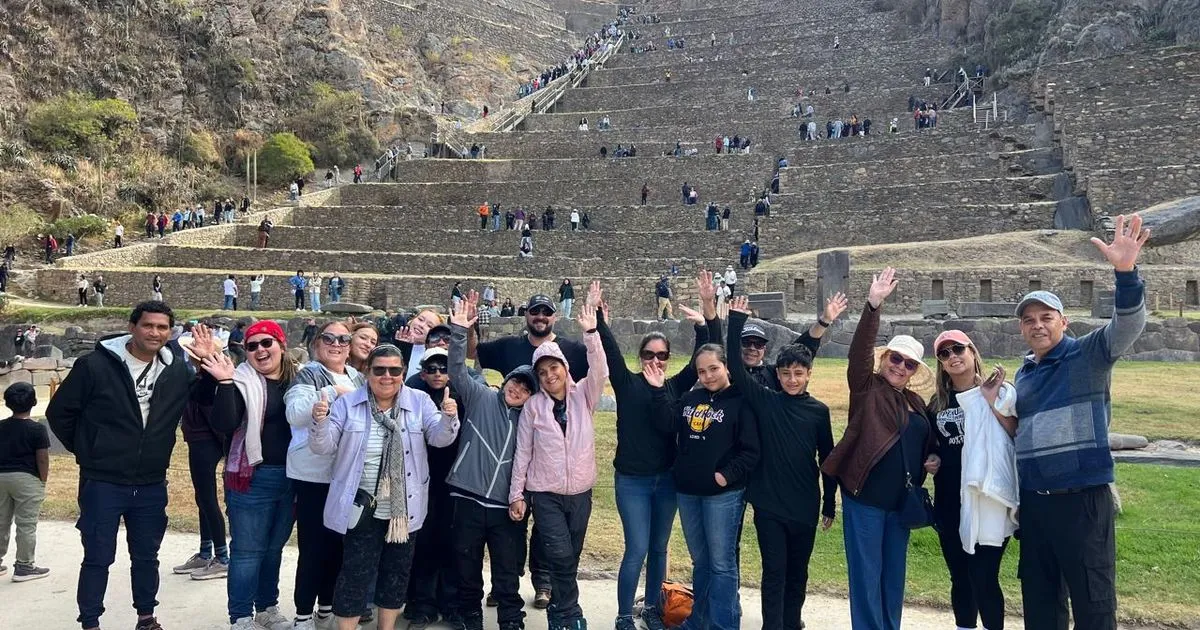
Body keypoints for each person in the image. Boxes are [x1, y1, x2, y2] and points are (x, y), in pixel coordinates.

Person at [1014, 214, 1149, 630]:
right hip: (1036, 504)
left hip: (1082, 501)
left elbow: (1128, 326)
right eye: (1029, 320)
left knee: (1093, 603)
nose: (1038, 325)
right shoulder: (1023, 374)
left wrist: (1125, 273)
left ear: (1063, 321)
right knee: (1040, 603)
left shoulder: (1088, 354)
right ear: (1021, 328)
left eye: (1046, 317)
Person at [47, 301, 191, 630]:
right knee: (98, 557)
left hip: (151, 481)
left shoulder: (177, 370)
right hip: (103, 481)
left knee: (146, 556)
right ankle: (91, 621)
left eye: (162, 327)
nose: (155, 332)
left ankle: (146, 616)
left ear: (170, 332)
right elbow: (60, 413)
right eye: (148, 325)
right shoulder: (94, 366)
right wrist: (90, 450)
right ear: (132, 327)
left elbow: (206, 400)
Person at [309, 344, 460, 630]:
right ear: (367, 372)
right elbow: (323, 446)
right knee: (354, 573)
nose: (387, 376)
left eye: (394, 370)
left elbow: (440, 439)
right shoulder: (348, 404)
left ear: (403, 373)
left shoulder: (420, 402)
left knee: (396, 573)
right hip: (361, 505)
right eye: (379, 370)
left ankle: (386, 627)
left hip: (404, 507)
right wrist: (319, 421)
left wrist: (448, 417)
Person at [822, 267, 940, 630]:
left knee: (892, 580)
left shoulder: (918, 403)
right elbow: (858, 353)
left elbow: (923, 441)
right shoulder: (866, 388)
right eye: (896, 359)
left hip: (899, 504)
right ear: (885, 358)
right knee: (866, 579)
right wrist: (873, 306)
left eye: (908, 364)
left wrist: (931, 458)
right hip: (866, 499)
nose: (900, 367)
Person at [597, 281, 712, 630]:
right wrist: (600, 320)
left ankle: (651, 607)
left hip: (666, 480)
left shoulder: (676, 386)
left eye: (662, 356)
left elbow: (701, 361)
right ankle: (622, 614)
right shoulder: (626, 383)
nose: (656, 361)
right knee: (636, 549)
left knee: (659, 549)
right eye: (650, 355)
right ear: (641, 358)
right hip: (632, 480)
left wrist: (703, 325)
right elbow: (610, 350)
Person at [726, 295, 835, 630]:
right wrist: (734, 320)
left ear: (808, 374)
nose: (791, 379)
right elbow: (735, 363)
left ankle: (791, 622)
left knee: (797, 573)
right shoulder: (766, 400)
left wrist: (829, 502)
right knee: (774, 572)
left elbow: (827, 458)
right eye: (785, 373)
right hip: (770, 503)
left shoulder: (818, 412)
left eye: (798, 373)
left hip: (804, 503)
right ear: (779, 373)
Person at [508, 284, 608, 630]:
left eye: (555, 369)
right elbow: (524, 452)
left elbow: (601, 372)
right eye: (543, 373)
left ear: (565, 368)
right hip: (546, 492)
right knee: (560, 554)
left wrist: (592, 333)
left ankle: (562, 614)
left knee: (572, 556)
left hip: (580, 492)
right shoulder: (534, 407)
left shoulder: (584, 396)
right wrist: (517, 494)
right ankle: (568, 614)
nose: (550, 377)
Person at [189, 322, 298, 630]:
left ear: (281, 344)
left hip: (292, 477)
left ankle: (266, 607)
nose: (261, 350)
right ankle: (240, 616)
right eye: (252, 346)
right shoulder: (239, 380)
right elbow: (224, 424)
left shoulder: (300, 378)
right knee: (248, 551)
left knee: (274, 549)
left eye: (267, 343)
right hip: (253, 478)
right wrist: (223, 382)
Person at [648, 339, 759, 630]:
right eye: (702, 371)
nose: (708, 376)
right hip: (688, 492)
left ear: (726, 367)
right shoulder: (690, 398)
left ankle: (724, 624)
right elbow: (666, 423)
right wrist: (659, 389)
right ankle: (698, 621)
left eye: (714, 368)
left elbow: (751, 451)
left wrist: (725, 475)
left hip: (722, 495)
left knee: (722, 565)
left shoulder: (741, 400)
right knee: (701, 562)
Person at [929, 330, 1017, 630]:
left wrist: (991, 402)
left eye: (958, 349)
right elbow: (932, 446)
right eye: (944, 353)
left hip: (987, 498)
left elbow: (1016, 434)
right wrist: (933, 458)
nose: (953, 357)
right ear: (940, 363)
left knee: (983, 575)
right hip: (950, 497)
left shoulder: (999, 392)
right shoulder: (937, 404)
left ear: (972, 352)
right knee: (960, 576)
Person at [284, 321, 367, 629]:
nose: (336, 344)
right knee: (313, 547)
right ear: (317, 343)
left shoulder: (357, 376)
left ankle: (327, 608)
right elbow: (295, 413)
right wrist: (331, 391)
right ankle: (303, 614)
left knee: (337, 547)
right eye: (329, 338)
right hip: (313, 475)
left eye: (343, 339)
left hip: (345, 473)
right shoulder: (309, 373)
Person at [739, 293, 846, 391]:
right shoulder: (728, 373)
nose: (752, 348)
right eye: (746, 343)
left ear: (764, 349)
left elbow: (804, 347)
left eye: (758, 344)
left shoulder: (773, 374)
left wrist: (825, 321)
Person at [0, 382, 51, 582]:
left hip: (1, 476)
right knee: (26, 524)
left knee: (1, 521)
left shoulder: (1, 427)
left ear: (7, 403)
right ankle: (24, 566)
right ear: (34, 402)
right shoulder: (37, 429)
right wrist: (43, 479)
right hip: (27, 478)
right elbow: (42, 458)